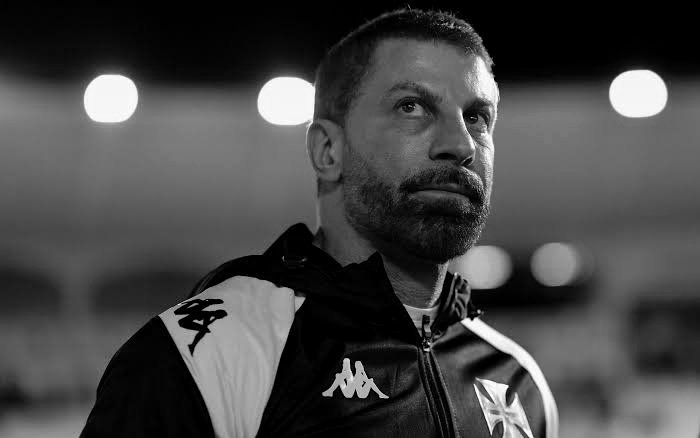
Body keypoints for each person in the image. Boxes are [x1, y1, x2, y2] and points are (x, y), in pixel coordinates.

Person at [81, 8, 558, 438]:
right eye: (412, 106)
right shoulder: (205, 357)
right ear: (328, 151)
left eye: (477, 117)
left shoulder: (521, 384)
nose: (461, 144)